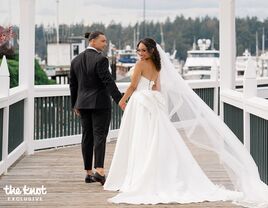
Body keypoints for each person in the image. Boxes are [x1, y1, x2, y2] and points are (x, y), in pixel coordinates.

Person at [103, 38, 268, 207]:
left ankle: (140, 174)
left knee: (141, 138)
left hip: (141, 102)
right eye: (139, 50)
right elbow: (157, 88)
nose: (140, 53)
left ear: (152, 50)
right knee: (153, 138)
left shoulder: (140, 65)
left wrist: (122, 101)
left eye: (143, 50)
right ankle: (153, 172)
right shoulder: (157, 66)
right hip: (153, 101)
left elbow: (132, 86)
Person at [69, 31, 122, 185]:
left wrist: (75, 104)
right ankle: (99, 170)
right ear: (92, 41)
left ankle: (88, 173)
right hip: (100, 104)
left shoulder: (75, 60)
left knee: (87, 137)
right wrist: (120, 100)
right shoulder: (101, 59)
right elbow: (108, 82)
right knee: (99, 136)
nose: (105, 44)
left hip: (83, 104)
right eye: (102, 41)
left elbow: (73, 85)